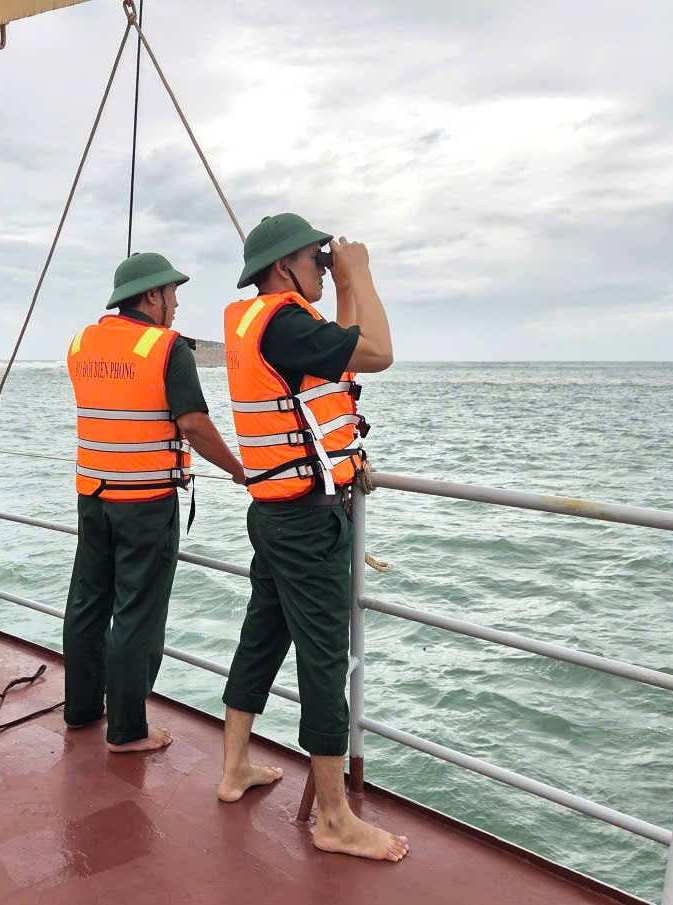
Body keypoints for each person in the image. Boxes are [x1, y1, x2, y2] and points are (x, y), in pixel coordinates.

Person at [217, 214, 408, 862]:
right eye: (315, 260)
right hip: (306, 519)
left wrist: (340, 283)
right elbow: (377, 351)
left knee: (262, 634)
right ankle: (332, 816)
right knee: (324, 657)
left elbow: (346, 345)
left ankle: (233, 766)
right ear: (282, 267)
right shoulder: (286, 324)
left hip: (273, 512)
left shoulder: (264, 323)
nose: (324, 269)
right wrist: (361, 271)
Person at [64, 252, 245, 752]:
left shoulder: (81, 342)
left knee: (87, 602)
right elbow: (192, 424)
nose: (177, 303)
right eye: (172, 293)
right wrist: (239, 471)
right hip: (145, 501)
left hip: (93, 495)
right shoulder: (166, 348)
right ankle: (127, 731)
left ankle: (80, 710)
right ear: (151, 296)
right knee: (137, 614)